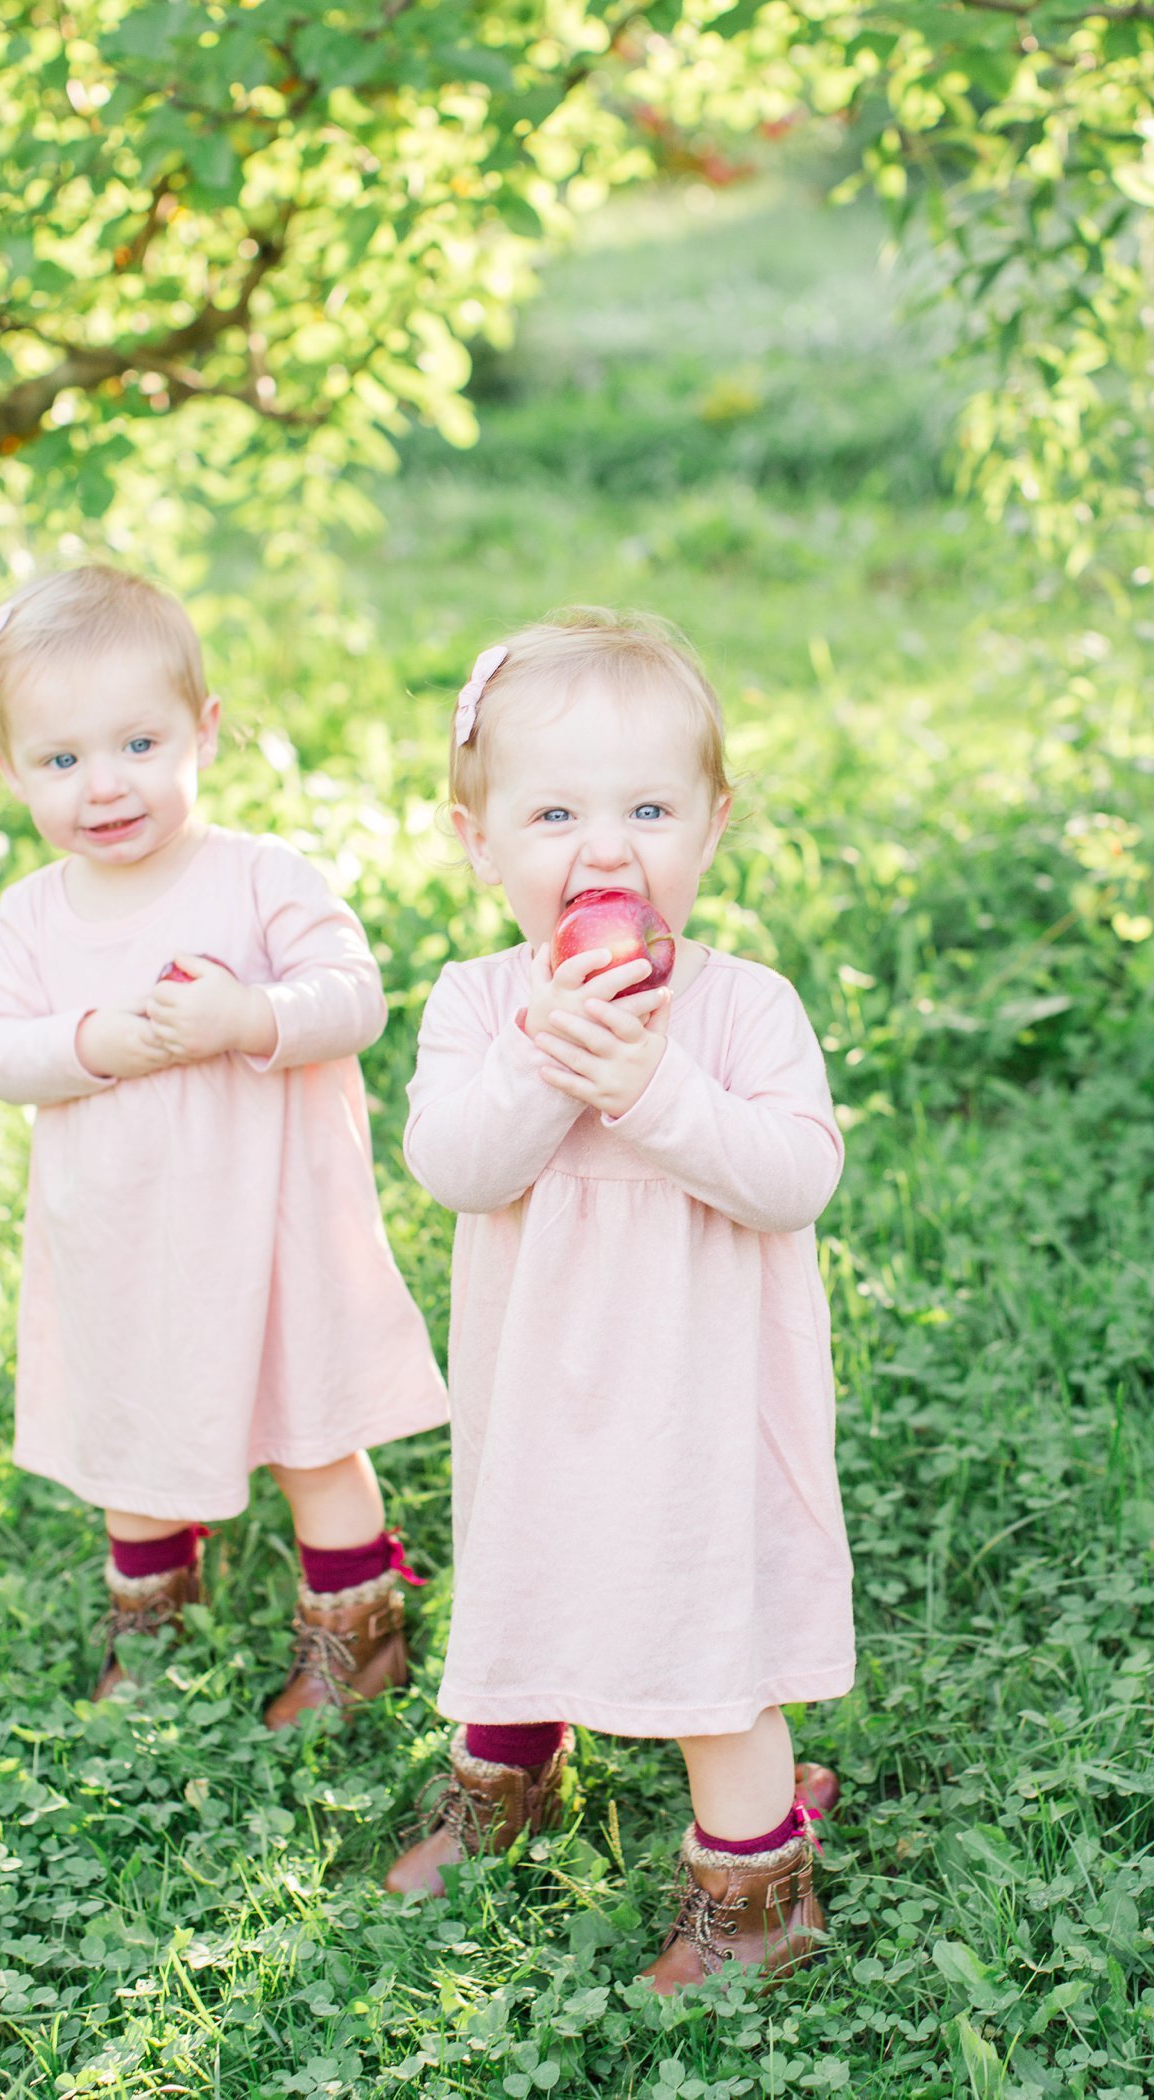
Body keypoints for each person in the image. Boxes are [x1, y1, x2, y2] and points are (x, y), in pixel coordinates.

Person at [384, 608, 853, 1992]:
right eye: (553, 813)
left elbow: (792, 1178)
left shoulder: (743, 1009)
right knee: (528, 1571)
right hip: (545, 1394)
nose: (605, 850)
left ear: (711, 827)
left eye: (649, 808)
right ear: (480, 845)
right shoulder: (478, 1008)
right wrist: (546, 1059)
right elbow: (454, 1167)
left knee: (712, 1629)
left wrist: (652, 1089)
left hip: (705, 1409)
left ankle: (753, 1878)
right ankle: (509, 1773)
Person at [0, 564, 447, 1720]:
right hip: (122, 1243)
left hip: (269, 1236)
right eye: (61, 760)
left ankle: (357, 1628)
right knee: (131, 1426)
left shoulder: (258, 876)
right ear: (8, 769)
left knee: (309, 1427)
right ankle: (152, 1629)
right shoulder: (36, 914)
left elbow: (354, 997)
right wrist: (90, 1041)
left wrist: (251, 1016)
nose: (103, 785)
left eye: (137, 743)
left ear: (203, 729)